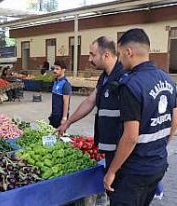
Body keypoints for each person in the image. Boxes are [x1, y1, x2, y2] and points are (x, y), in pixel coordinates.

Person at [103, 28, 177, 206]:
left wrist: (112, 171)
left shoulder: (131, 85)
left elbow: (131, 137)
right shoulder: (168, 80)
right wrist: (160, 146)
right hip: (158, 164)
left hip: (134, 171)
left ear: (129, 52)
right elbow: (174, 121)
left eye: (120, 54)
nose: (119, 60)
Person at [57, 36, 124, 172]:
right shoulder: (105, 76)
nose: (89, 59)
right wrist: (68, 122)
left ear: (106, 55)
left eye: (92, 54)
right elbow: (90, 101)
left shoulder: (123, 76)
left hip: (121, 147)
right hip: (109, 145)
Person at [49, 60, 72, 128]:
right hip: (54, 115)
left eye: (57, 69)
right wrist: (52, 113)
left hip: (60, 116)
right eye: (54, 68)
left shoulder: (65, 84)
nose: (54, 71)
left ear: (63, 70)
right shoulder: (55, 82)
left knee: (59, 137)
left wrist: (64, 118)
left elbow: (66, 103)